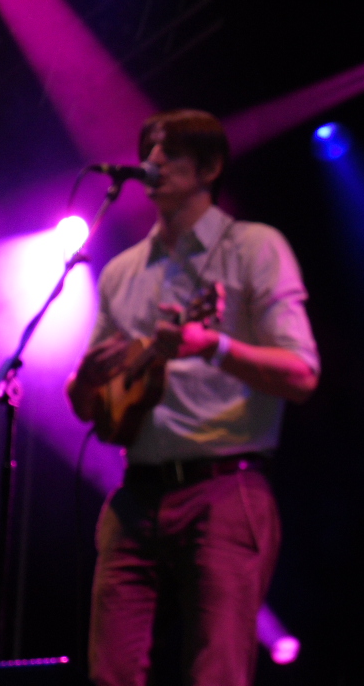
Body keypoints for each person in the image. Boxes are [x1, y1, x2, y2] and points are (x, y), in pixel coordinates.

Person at [66, 109, 320, 685]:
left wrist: (214, 346)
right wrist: (84, 381)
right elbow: (89, 409)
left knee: (217, 671)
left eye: (169, 151)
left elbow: (302, 375)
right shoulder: (121, 271)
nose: (151, 161)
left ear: (209, 168)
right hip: (135, 495)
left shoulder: (255, 248)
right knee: (110, 674)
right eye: (148, 150)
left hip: (224, 488)